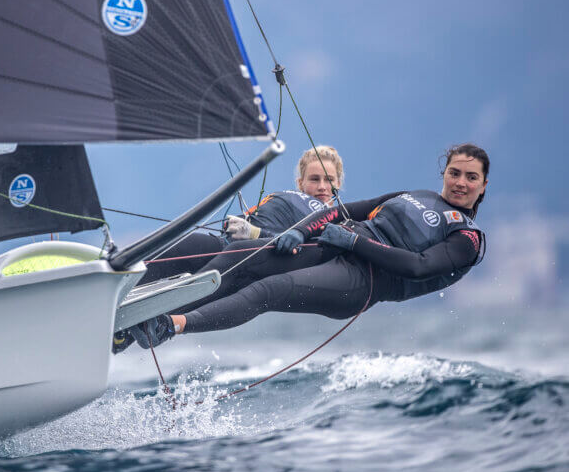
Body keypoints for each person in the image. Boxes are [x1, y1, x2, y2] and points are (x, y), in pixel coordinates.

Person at [128, 143, 489, 350]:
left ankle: (170, 324)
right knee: (247, 258)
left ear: (483, 185)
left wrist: (354, 241)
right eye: (454, 172)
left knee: (267, 290)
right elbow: (342, 212)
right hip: (332, 249)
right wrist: (301, 233)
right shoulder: (412, 194)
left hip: (362, 283)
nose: (460, 182)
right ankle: (131, 310)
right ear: (444, 172)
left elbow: (418, 266)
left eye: (470, 177)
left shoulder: (467, 239)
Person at [112, 146, 344, 353]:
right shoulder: (287, 197)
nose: (322, 186)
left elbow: (306, 253)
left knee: (187, 291)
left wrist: (256, 235)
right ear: (301, 182)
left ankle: (129, 330)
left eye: (329, 179)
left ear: (338, 184)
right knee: (175, 247)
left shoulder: (336, 220)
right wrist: (236, 223)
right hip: (226, 246)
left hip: (248, 263)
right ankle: (110, 309)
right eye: (315, 179)